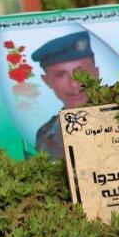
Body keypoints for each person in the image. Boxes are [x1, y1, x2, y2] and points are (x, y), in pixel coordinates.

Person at [31, 31, 101, 159]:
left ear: (96, 73)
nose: (74, 84)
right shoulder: (45, 135)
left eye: (81, 72)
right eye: (61, 75)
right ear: (47, 81)